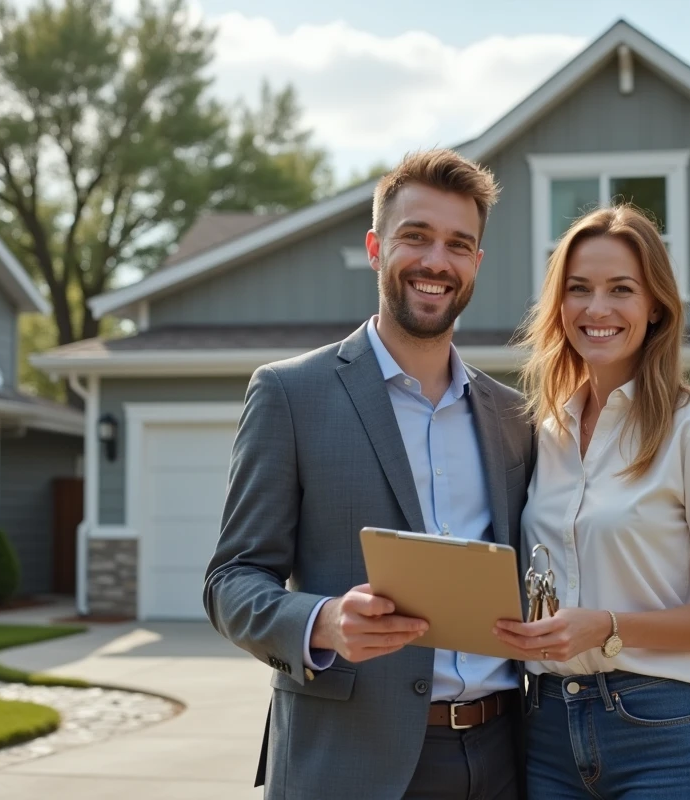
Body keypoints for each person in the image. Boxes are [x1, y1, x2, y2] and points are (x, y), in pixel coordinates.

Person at [202, 148, 535, 800]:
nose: (436, 261)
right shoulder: (289, 394)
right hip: (350, 765)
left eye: (458, 245)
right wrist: (322, 622)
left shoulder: (512, 416)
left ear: (476, 264)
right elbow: (231, 582)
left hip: (504, 759)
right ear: (376, 247)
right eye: (416, 237)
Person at [493, 204, 690, 798]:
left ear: (656, 307)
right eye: (579, 289)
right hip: (543, 733)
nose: (597, 309)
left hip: (660, 733)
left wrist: (607, 627)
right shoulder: (544, 433)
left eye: (622, 289)